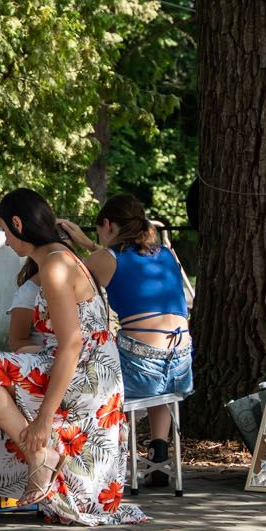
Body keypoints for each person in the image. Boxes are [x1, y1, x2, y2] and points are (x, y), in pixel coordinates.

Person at [0, 188, 146, 527]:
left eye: (4, 231)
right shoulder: (58, 258)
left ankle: (36, 456)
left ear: (18, 224)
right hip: (84, 369)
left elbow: (72, 344)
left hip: (85, 377)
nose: (5, 241)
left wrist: (43, 420)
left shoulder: (55, 265)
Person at [61, 195, 193, 489]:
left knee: (89, 365)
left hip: (141, 369)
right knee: (156, 372)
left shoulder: (108, 258)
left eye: (99, 232)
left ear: (108, 225)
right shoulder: (166, 254)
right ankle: (159, 453)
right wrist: (91, 244)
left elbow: (68, 281)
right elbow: (124, 265)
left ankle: (100, 456)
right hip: (181, 366)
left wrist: (75, 246)